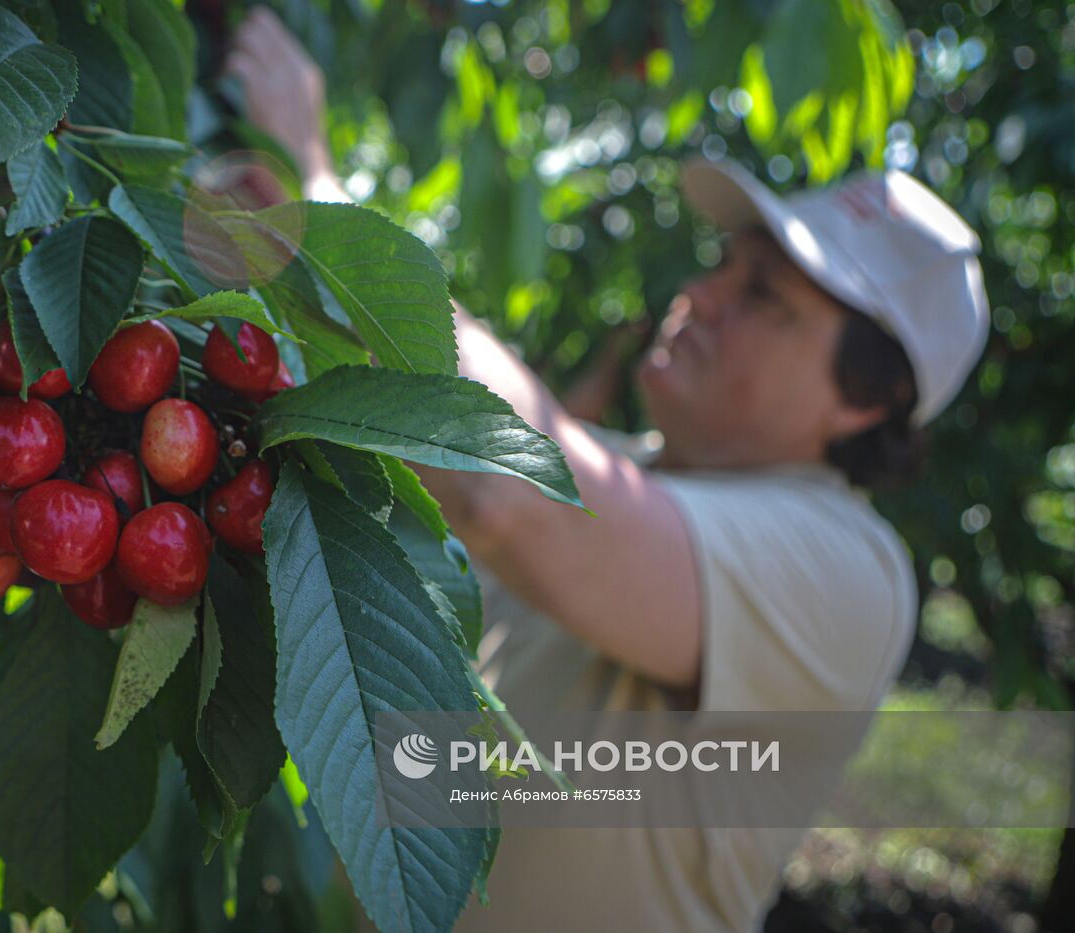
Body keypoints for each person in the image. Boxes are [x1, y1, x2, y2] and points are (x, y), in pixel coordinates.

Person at [224, 9, 991, 931]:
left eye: (761, 296)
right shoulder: (637, 473)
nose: (697, 294)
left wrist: (327, 207)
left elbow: (507, 493)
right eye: (722, 266)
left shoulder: (849, 568)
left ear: (865, 399)